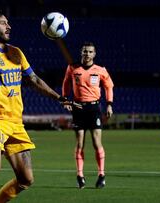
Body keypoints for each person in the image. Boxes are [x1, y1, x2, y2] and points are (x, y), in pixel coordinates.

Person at [0, 10, 72, 203]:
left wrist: (59, 97)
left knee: (26, 179)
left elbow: (34, 80)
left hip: (16, 122)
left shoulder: (16, 52)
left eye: (8, 22)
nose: (8, 26)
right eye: (2, 23)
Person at [62, 42, 114, 189]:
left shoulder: (101, 70)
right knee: (79, 144)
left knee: (97, 143)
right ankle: (80, 175)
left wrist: (109, 104)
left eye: (90, 52)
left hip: (94, 108)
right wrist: (65, 99)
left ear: (94, 54)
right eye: (85, 51)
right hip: (78, 108)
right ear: (81, 52)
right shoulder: (73, 68)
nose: (87, 54)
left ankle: (101, 175)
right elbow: (66, 83)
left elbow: (109, 86)